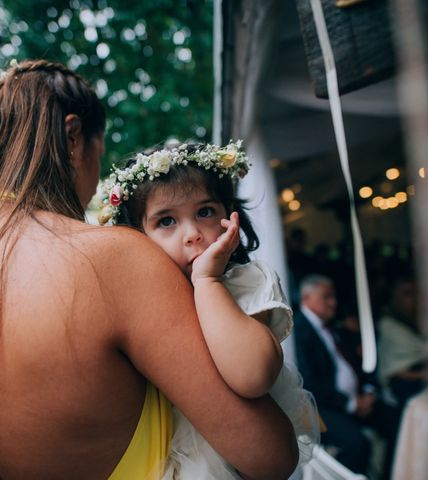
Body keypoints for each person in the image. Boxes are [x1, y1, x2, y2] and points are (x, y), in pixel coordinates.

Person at [0, 59, 299, 479]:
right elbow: (268, 455)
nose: (94, 183)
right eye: (100, 150)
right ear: (75, 136)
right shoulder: (112, 260)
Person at [98, 141, 319, 479]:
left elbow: (253, 376)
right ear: (138, 238)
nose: (193, 234)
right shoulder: (140, 301)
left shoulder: (245, 282)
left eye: (204, 212)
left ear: (229, 217)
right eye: (167, 221)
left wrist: (207, 282)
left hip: (229, 460)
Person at [294, 274, 400, 479]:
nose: (333, 303)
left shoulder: (335, 326)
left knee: (396, 421)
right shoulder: (298, 331)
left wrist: (368, 391)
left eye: (333, 297)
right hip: (321, 406)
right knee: (357, 444)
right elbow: (309, 382)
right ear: (306, 298)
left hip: (358, 398)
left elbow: (359, 362)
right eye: (326, 297)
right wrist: (351, 404)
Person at [378, 276, 428, 407]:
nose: (413, 299)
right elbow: (394, 373)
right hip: (405, 388)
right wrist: (427, 374)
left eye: (415, 293)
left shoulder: (414, 321)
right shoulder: (388, 326)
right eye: (407, 294)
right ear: (394, 297)